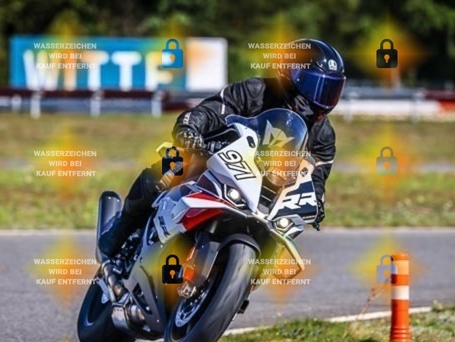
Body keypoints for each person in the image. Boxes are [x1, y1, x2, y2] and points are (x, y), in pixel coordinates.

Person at [99, 38, 345, 257]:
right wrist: (190, 129)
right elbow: (209, 111)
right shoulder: (255, 91)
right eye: (316, 86)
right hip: (217, 159)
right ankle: (122, 226)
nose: (321, 99)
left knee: (286, 233)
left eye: (330, 90)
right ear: (290, 73)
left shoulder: (323, 135)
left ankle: (245, 274)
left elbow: (316, 179)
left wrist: (316, 203)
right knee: (170, 165)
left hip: (268, 191)